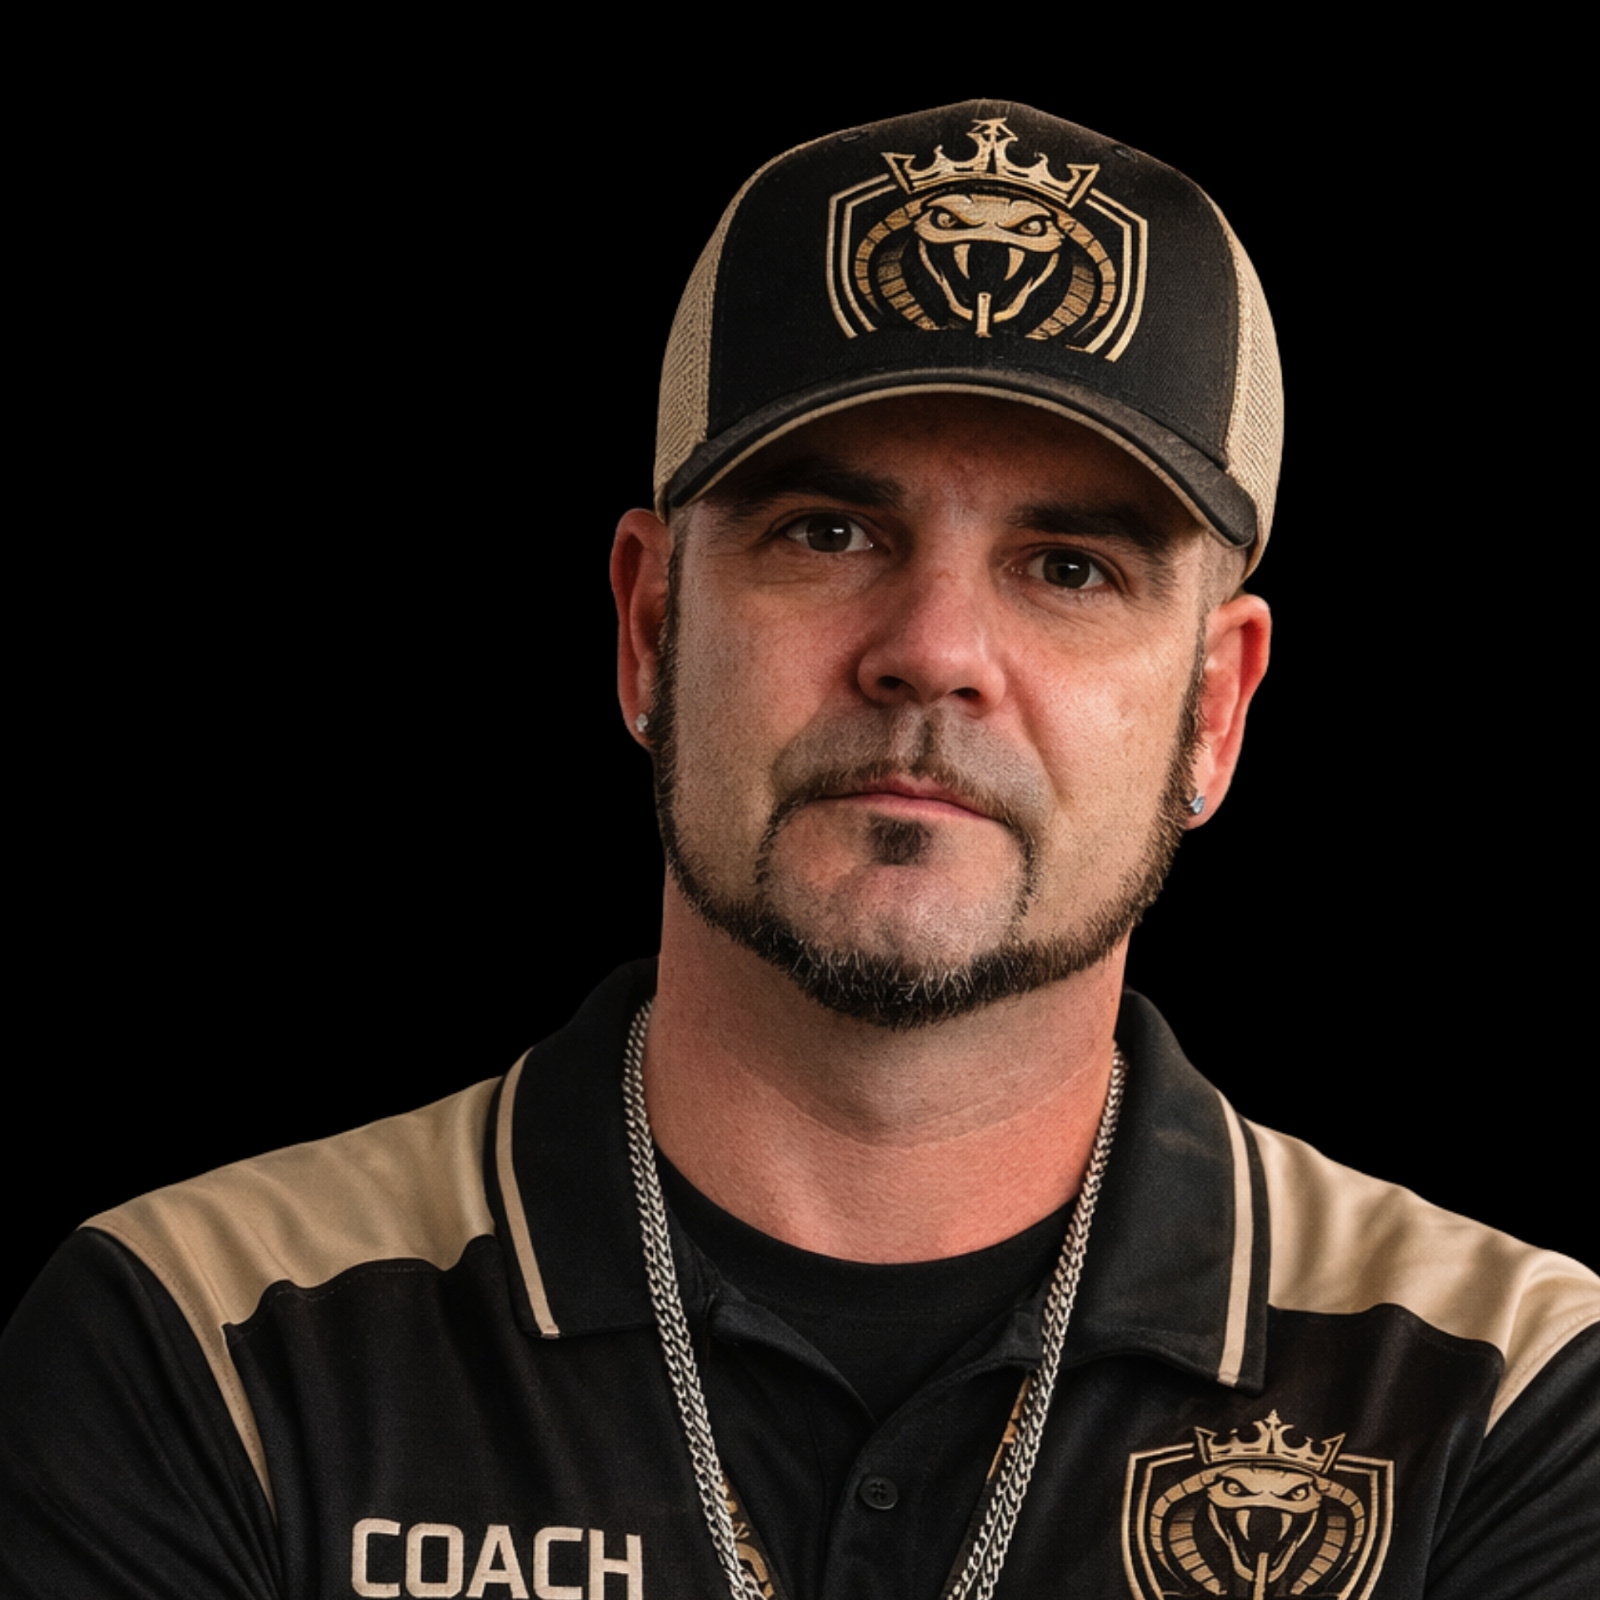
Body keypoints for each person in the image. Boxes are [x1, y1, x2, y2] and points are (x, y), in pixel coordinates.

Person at [4, 99, 1595, 1600]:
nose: (934, 651)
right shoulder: (209, 1338)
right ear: (649, 627)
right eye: (827, 534)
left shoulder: (1506, 1389)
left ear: (1216, 712)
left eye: (1069, 567)